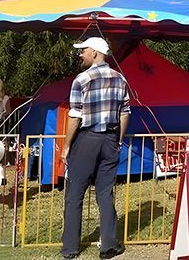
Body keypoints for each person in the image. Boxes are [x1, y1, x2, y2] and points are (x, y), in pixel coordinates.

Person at [61, 37, 130, 260]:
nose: (80, 54)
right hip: (110, 139)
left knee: (75, 193)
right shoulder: (120, 78)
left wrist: (66, 146)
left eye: (83, 50)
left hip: (87, 138)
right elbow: (125, 113)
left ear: (94, 52)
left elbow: (75, 115)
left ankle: (70, 248)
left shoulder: (81, 79)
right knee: (105, 192)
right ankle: (108, 246)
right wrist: (118, 140)